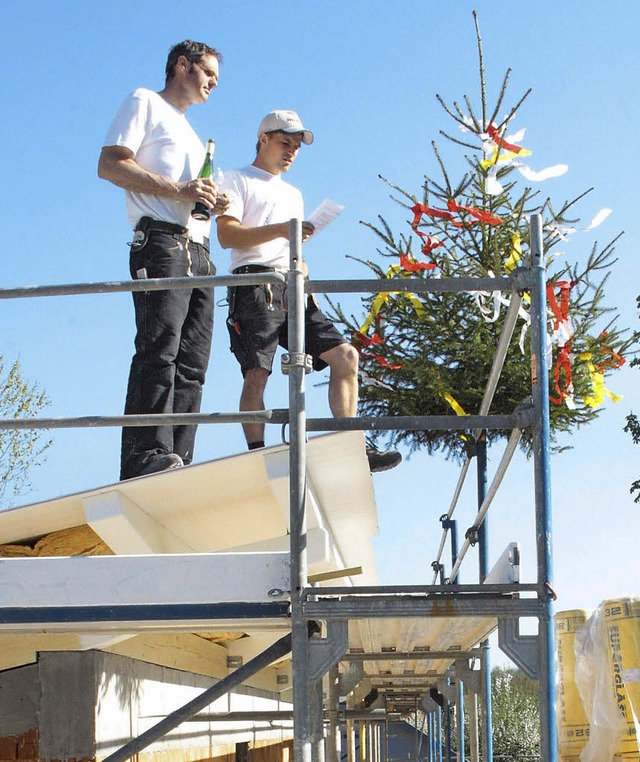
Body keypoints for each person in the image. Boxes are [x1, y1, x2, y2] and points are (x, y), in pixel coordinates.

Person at [216, 110, 401, 473]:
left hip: (294, 286)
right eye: (286, 142)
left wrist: (303, 267)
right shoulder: (235, 179)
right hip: (253, 283)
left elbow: (290, 244)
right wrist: (282, 230)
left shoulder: (293, 194)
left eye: (297, 146)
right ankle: (258, 455)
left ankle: (352, 445)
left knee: (346, 357)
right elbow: (228, 236)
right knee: (257, 372)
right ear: (264, 138)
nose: (292, 152)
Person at [98, 40, 228, 480]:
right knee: (159, 350)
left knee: (193, 363)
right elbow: (111, 165)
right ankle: (145, 455)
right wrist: (179, 190)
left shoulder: (192, 133)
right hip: (160, 241)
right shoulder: (144, 101)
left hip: (200, 249)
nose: (213, 83)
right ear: (181, 65)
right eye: (207, 72)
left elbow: (194, 195)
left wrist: (214, 201)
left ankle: (177, 458)